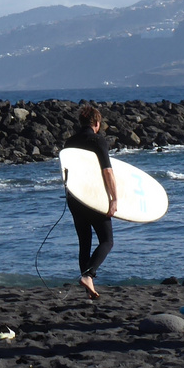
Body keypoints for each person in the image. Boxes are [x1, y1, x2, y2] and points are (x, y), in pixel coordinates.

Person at [64, 104, 118, 300]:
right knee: (107, 240)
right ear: (96, 123)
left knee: (84, 242)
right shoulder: (97, 140)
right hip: (93, 198)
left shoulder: (69, 142)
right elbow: (108, 171)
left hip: (74, 198)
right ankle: (88, 276)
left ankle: (89, 286)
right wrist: (114, 199)